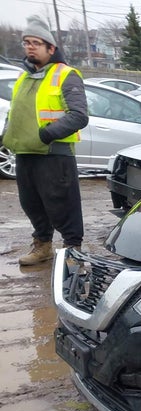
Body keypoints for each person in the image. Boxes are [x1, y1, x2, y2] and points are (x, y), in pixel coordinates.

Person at [3, 15, 88, 266]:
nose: (29, 47)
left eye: (36, 43)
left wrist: (45, 134)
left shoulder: (66, 75)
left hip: (54, 153)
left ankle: (73, 251)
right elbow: (15, 113)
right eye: (26, 42)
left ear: (51, 48)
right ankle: (43, 246)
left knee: (63, 204)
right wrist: (9, 135)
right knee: (32, 204)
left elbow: (79, 116)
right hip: (25, 153)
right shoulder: (24, 77)